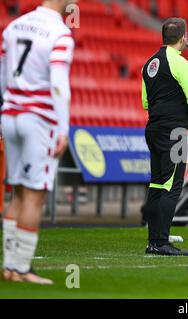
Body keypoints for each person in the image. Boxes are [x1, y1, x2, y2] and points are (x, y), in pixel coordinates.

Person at [0, 0, 76, 284]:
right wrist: (62, 128)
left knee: (17, 192)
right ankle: (20, 269)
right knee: (34, 194)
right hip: (38, 119)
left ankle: (10, 266)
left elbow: (3, 75)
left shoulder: (13, 26)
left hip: (11, 114)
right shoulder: (59, 32)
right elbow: (58, 83)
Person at [141, 18, 188, 256]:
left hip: (154, 128)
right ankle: (161, 242)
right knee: (172, 187)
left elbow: (145, 102)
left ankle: (153, 240)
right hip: (174, 131)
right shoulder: (180, 63)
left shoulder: (148, 63)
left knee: (157, 185)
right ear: (183, 37)